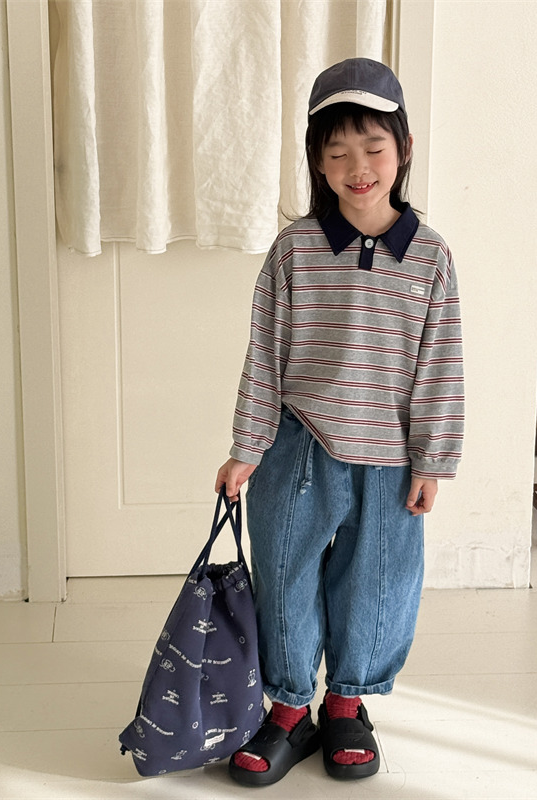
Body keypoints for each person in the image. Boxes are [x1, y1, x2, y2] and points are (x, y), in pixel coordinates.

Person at [215, 57, 464, 787]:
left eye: (374, 148)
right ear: (318, 162)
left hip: (390, 456)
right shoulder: (295, 249)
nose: (358, 168)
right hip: (299, 445)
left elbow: (440, 364)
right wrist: (247, 447)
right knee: (285, 574)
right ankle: (290, 709)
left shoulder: (430, 257)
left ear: (404, 149)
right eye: (337, 153)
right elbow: (265, 353)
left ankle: (347, 704)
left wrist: (433, 460)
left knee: (378, 584)